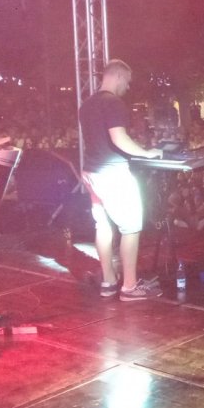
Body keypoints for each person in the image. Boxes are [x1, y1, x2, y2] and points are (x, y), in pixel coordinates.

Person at [79, 59, 164, 301]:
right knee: (131, 227)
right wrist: (146, 153)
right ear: (117, 76)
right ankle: (129, 286)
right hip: (113, 174)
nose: (128, 86)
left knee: (103, 226)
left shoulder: (86, 105)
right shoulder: (113, 103)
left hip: (92, 173)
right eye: (127, 81)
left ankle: (108, 281)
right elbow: (119, 138)